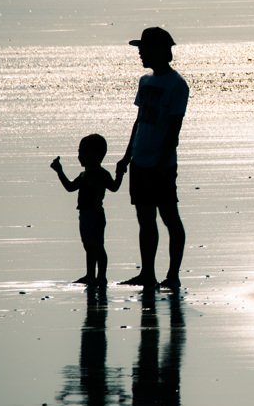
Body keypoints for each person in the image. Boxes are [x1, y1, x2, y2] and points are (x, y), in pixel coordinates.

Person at [117, 27, 189, 290]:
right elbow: (139, 121)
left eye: (143, 49)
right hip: (139, 161)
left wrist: (162, 163)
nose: (140, 54)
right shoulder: (145, 81)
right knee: (145, 220)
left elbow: (174, 128)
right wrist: (126, 156)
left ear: (158, 51)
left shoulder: (177, 85)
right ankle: (147, 273)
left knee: (170, 217)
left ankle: (172, 275)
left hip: (162, 164)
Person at [51, 134, 125, 286]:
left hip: (96, 215)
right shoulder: (83, 175)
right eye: (79, 152)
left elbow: (114, 187)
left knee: (97, 245)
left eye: (83, 152)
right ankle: (90, 275)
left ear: (97, 155)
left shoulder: (102, 174)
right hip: (84, 215)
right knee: (88, 245)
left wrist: (120, 173)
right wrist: (59, 171)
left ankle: (101, 276)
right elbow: (70, 187)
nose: (80, 156)